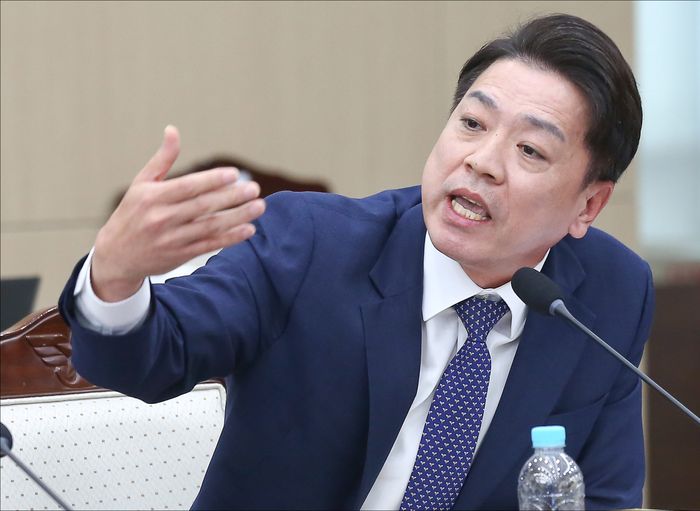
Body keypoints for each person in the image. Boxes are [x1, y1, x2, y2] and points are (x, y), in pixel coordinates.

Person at [58, 13, 653, 510]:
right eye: (472, 124)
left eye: (530, 149)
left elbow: (606, 494)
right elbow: (151, 359)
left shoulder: (612, 292)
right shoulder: (309, 246)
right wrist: (116, 274)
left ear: (589, 204)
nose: (482, 161)